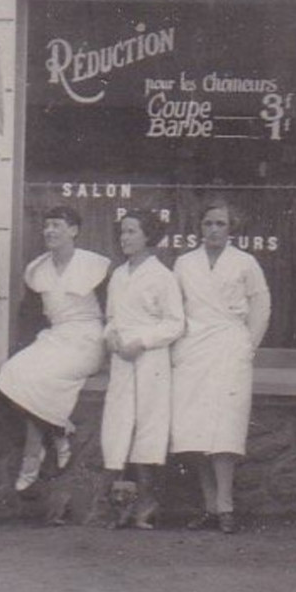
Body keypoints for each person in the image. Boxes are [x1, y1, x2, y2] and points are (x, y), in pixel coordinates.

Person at [0, 205, 111, 494]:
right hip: (55, 337)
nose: (49, 231)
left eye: (57, 225)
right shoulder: (37, 269)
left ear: (73, 230)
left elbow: (113, 311)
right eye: (47, 225)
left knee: (40, 379)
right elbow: (30, 317)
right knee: (10, 373)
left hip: (88, 339)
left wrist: (111, 349)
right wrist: (23, 348)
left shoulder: (96, 265)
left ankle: (32, 454)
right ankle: (57, 431)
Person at [171, 199, 272, 535]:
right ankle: (209, 505)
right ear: (200, 228)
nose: (213, 230)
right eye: (208, 224)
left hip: (230, 348)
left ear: (231, 229)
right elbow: (174, 308)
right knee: (195, 430)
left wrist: (248, 345)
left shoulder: (245, 263)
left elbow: (261, 304)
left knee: (225, 427)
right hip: (194, 348)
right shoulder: (185, 263)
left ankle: (226, 505)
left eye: (220, 224)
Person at [99, 209, 185, 512]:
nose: (125, 237)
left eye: (132, 231)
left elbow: (175, 323)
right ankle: (120, 504)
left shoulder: (162, 276)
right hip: (122, 358)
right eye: (122, 232)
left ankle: (147, 502)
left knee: (149, 423)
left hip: (150, 359)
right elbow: (111, 317)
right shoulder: (119, 275)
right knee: (120, 422)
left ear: (148, 236)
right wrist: (110, 335)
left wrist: (142, 342)